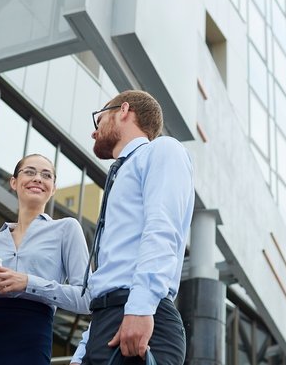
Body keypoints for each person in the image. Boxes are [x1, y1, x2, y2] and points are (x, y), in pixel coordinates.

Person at [72, 90, 194, 365]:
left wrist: (141, 308)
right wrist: (83, 351)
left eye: (99, 119)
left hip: (140, 317)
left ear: (123, 110)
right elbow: (112, 274)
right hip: (108, 322)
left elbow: (162, 230)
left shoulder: (163, 150)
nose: (94, 133)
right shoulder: (119, 174)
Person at [0, 154, 90, 364]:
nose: (37, 178)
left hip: (32, 337)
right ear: (14, 182)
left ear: (53, 188)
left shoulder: (67, 229)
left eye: (46, 175)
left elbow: (87, 299)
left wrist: (29, 282)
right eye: (30, 172)